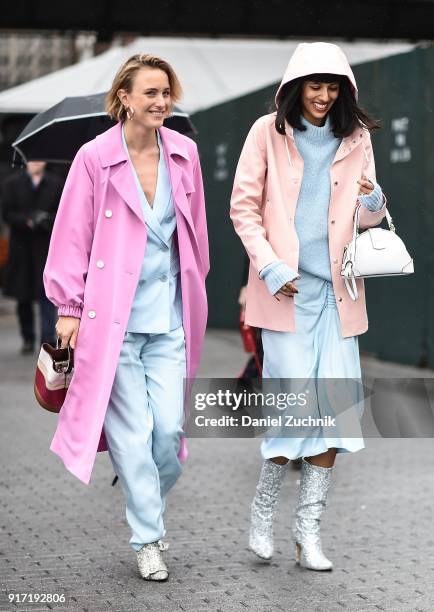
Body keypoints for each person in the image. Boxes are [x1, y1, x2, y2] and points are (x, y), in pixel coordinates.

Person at [43, 54, 209, 581]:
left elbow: (197, 234)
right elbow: (72, 234)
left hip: (170, 319)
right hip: (110, 322)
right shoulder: (95, 158)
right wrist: (69, 307)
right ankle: (148, 539)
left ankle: (140, 489)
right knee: (134, 438)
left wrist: (197, 288)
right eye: (151, 93)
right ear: (125, 99)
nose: (161, 102)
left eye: (167, 93)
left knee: (168, 434)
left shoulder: (185, 154)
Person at [230, 42, 386, 571]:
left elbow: (365, 218)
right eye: (314, 85)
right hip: (286, 296)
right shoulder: (265, 132)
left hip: (340, 295)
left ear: (345, 88)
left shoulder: (357, 136)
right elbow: (243, 208)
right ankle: (263, 510)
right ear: (295, 86)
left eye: (332, 85)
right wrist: (271, 266)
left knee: (336, 416)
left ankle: (308, 531)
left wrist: (372, 203)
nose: (323, 96)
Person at [2, 161, 62, 353]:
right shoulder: (11, 183)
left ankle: (47, 338)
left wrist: (45, 219)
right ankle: (28, 337)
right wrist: (27, 220)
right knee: (23, 297)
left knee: (47, 294)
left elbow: (63, 212)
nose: (35, 163)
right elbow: (7, 214)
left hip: (46, 247)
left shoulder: (56, 183)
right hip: (22, 248)